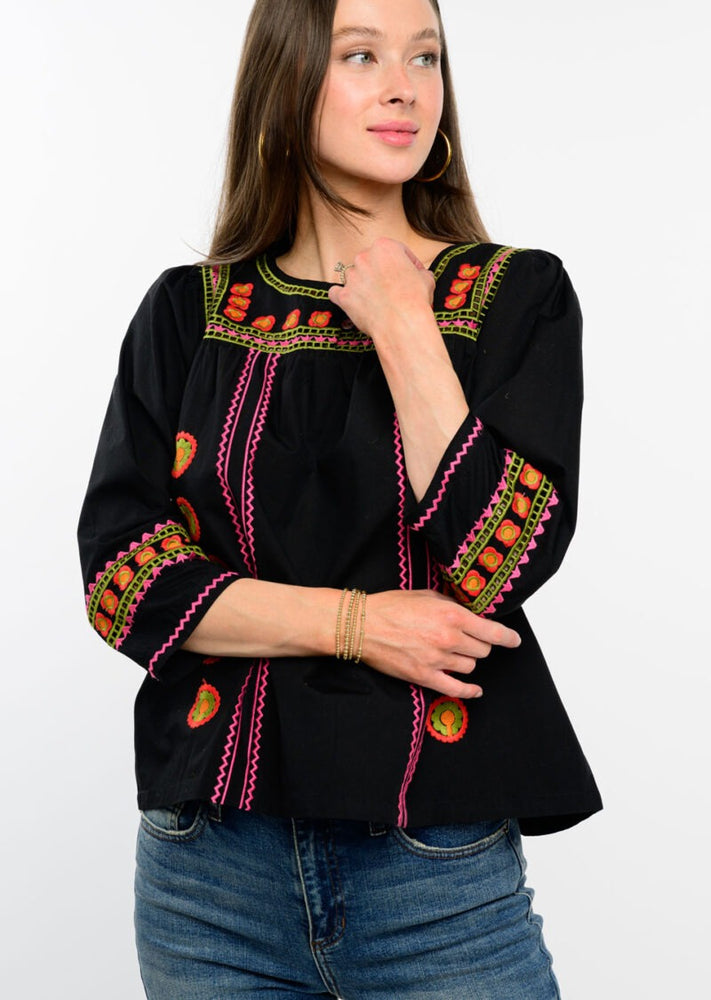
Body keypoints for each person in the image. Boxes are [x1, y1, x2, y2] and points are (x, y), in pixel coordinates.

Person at [78, 0, 602, 996]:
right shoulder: (188, 312)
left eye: (424, 58)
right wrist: (357, 625)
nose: (404, 87)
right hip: (208, 874)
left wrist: (405, 323)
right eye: (361, 56)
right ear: (286, 82)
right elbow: (122, 581)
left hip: (433, 870)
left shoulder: (516, 295)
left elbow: (504, 555)